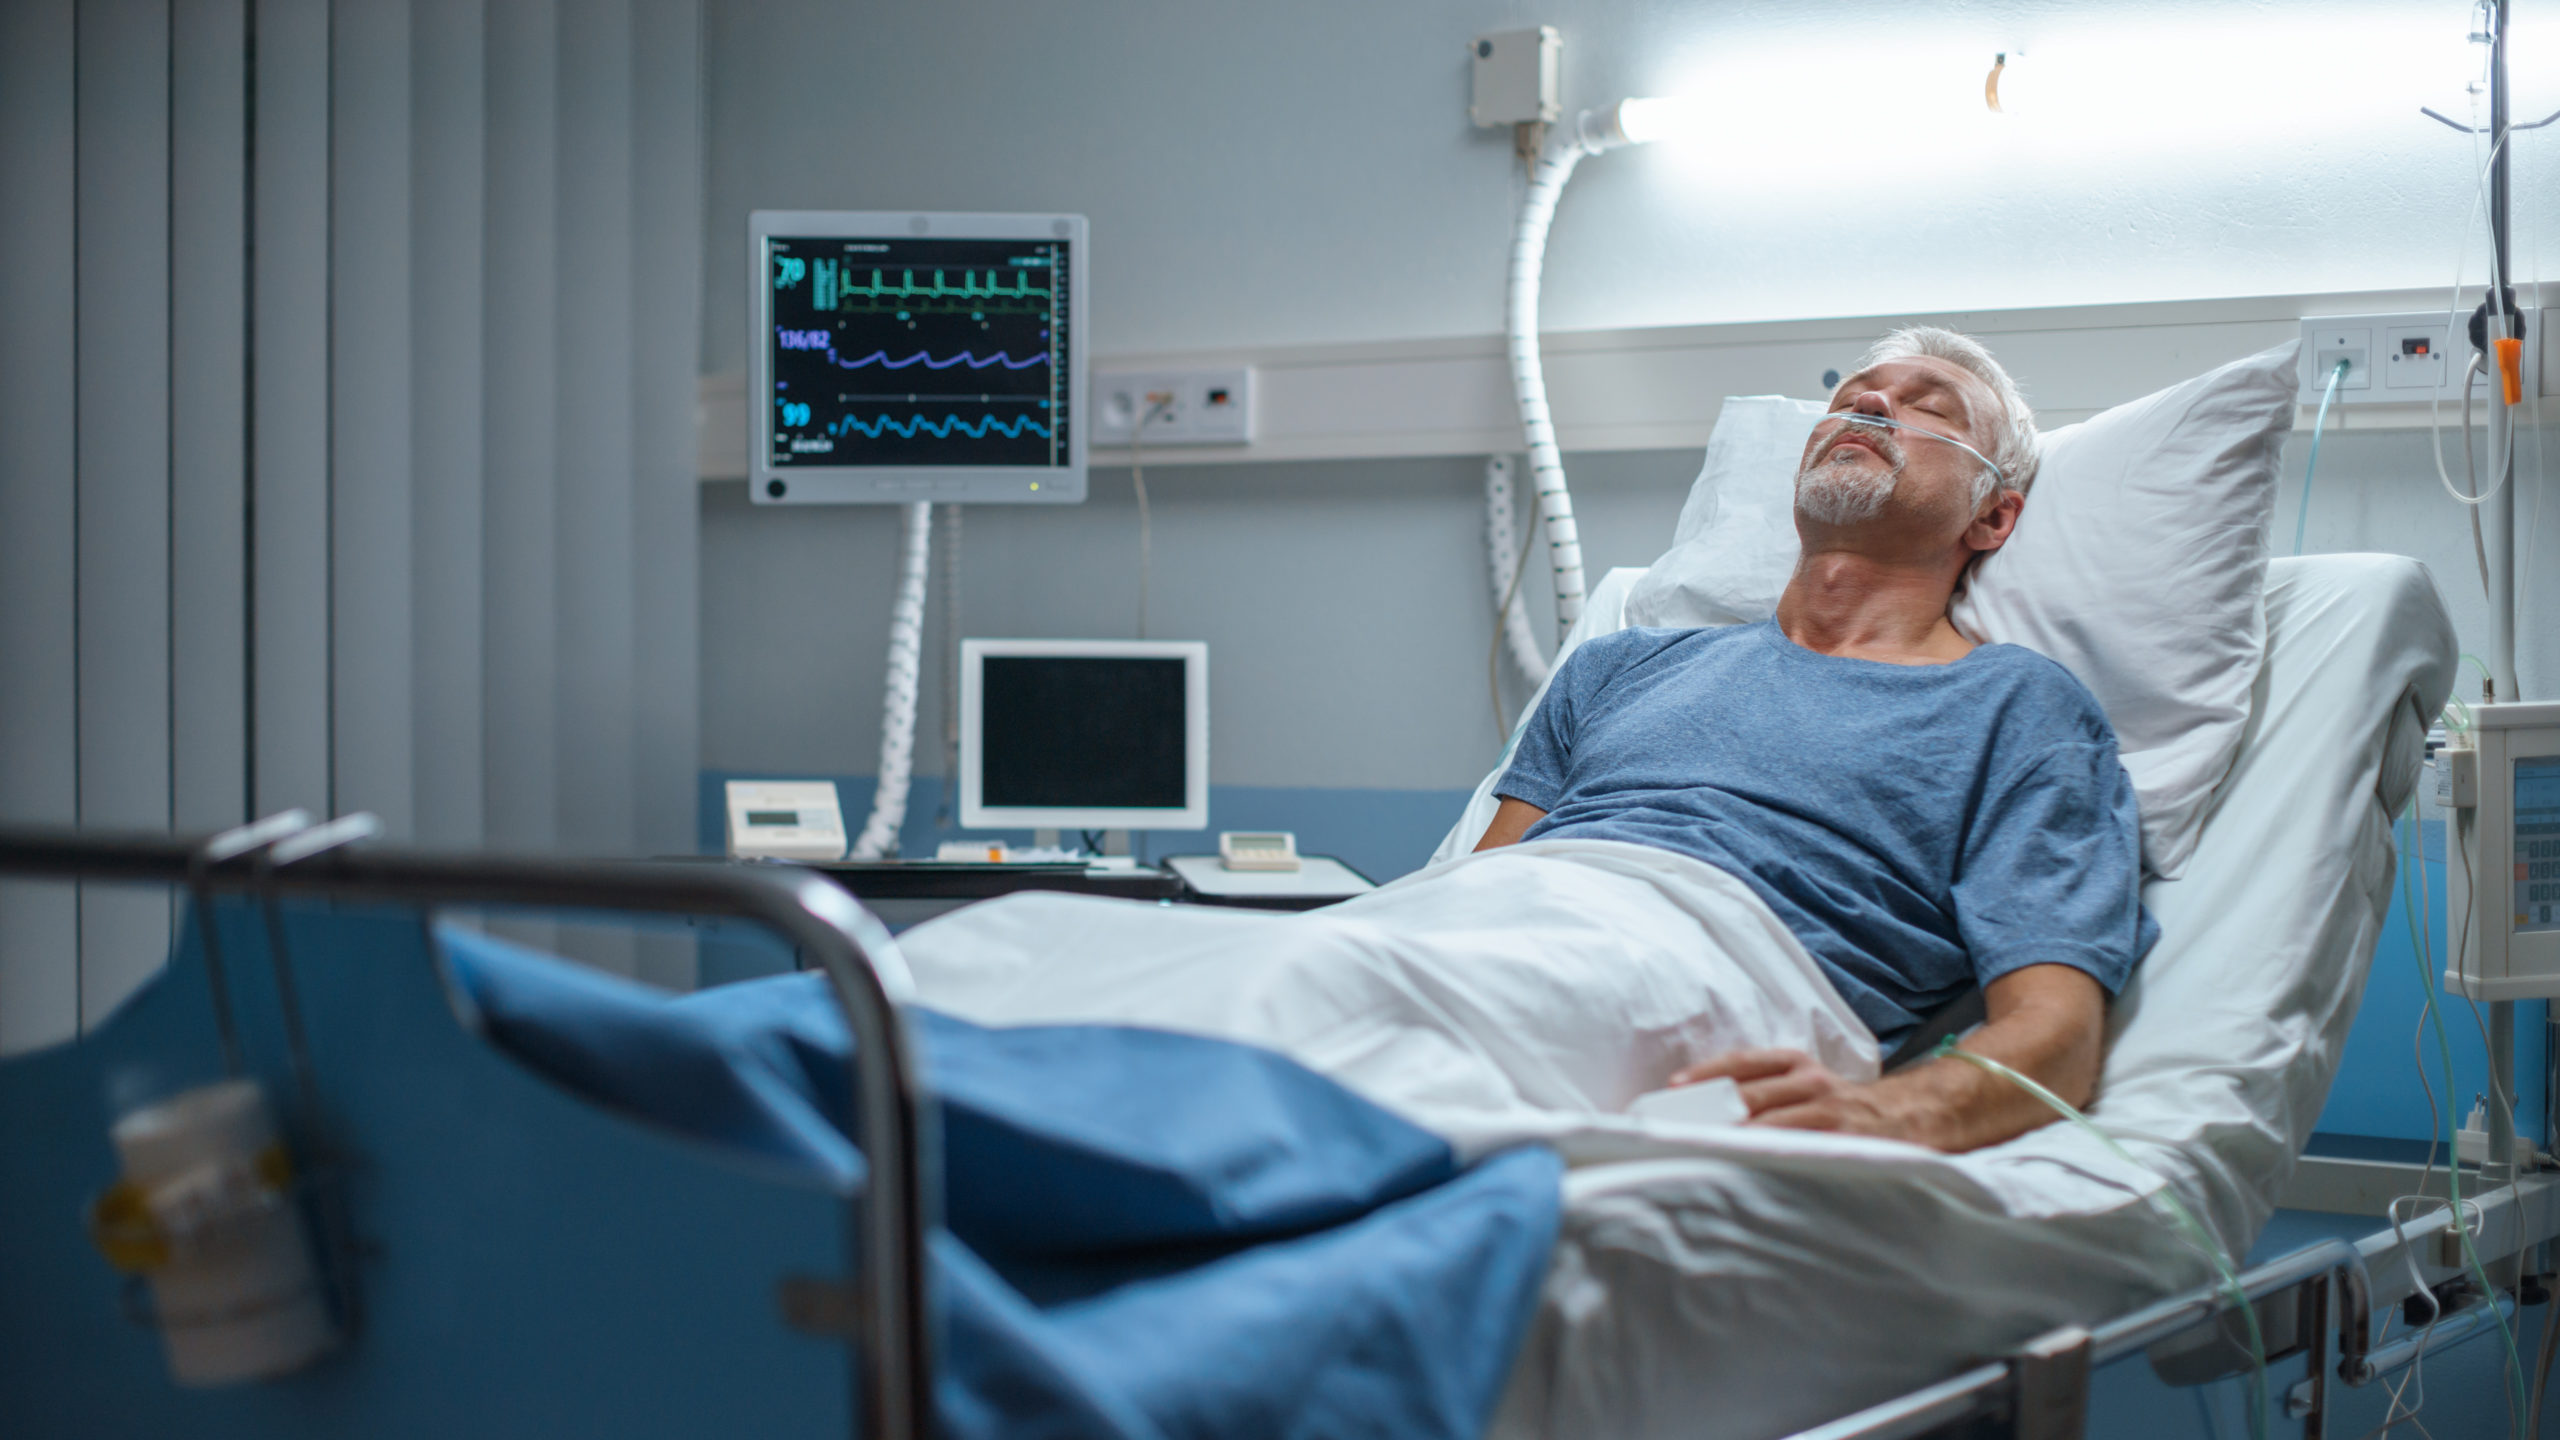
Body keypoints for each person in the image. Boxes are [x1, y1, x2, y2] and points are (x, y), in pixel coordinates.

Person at [1473, 326, 2154, 1154]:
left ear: (1993, 514)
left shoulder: (2019, 708)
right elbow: (1482, 887)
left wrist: (1880, 1112)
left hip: (1703, 985)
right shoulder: (1617, 667)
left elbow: (2060, 1038)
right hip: (1487, 946)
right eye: (1851, 399)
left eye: (1928, 407)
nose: (1869, 403)